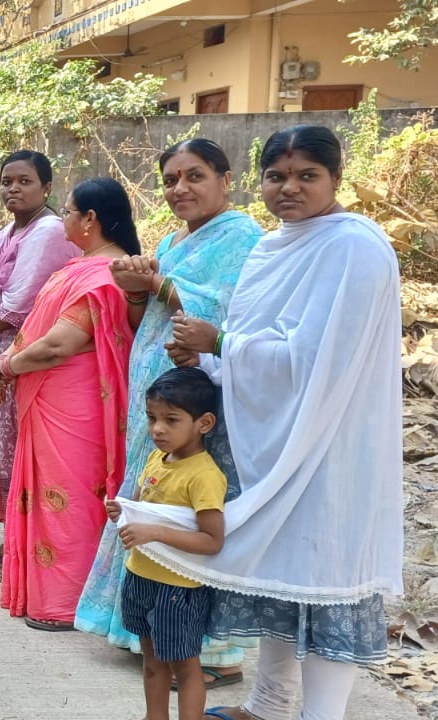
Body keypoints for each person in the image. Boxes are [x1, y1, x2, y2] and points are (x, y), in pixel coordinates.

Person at [147, 126, 401, 720]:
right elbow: (257, 345)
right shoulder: (270, 247)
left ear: (336, 178)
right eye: (276, 176)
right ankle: (269, 704)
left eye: (306, 175)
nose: (289, 187)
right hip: (270, 437)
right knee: (279, 572)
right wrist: (207, 359)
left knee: (325, 577)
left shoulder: (355, 246)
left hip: (332, 442)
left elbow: (320, 359)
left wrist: (222, 342)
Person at [74, 139, 263, 686]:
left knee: (192, 502)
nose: (180, 188)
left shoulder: (243, 236)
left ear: (226, 179)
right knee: (150, 489)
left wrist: (154, 282)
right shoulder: (171, 239)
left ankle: (210, 653)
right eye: (171, 179)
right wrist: (136, 292)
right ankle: (145, 632)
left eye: (194, 176)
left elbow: (229, 311)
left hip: (200, 394)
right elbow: (148, 314)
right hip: (156, 388)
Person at [0, 176, 139, 631]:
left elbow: (60, 344)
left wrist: (8, 366)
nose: (63, 218)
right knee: (51, 494)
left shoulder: (105, 274)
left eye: (68, 210)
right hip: (53, 398)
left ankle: (66, 603)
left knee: (69, 497)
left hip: (75, 404)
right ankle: (49, 594)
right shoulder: (84, 266)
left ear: (90, 219)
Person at [0, 150, 77, 572]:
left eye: (25, 181)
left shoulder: (49, 231)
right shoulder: (5, 233)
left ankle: (24, 547)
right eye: (7, 181)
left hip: (17, 354)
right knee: (2, 457)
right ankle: (11, 541)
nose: (13, 189)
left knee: (20, 452)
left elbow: (20, 303)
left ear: (46, 187)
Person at [105, 368, 227, 720]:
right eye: (152, 418)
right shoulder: (156, 459)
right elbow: (143, 509)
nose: (158, 429)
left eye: (171, 420)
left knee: (185, 668)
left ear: (204, 423)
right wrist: (123, 513)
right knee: (152, 661)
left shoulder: (204, 476)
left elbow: (212, 540)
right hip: (142, 576)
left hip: (179, 588)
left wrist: (155, 533)